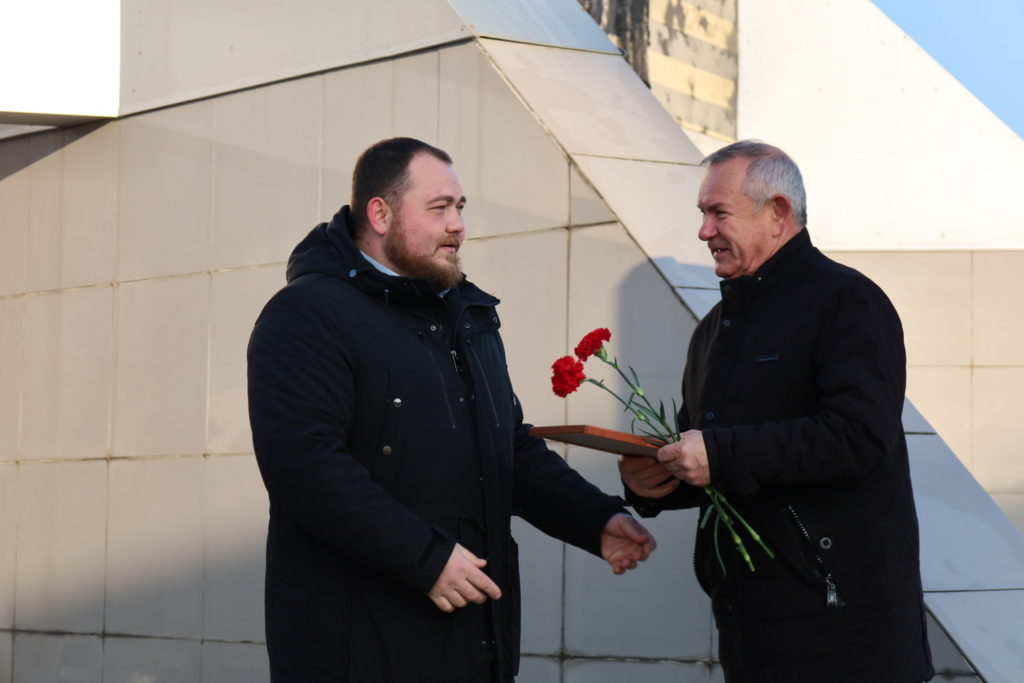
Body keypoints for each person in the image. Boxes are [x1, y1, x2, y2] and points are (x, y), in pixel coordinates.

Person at [247, 136, 656, 683]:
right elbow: (305, 469)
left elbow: (508, 448)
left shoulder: (466, 314)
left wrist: (594, 518)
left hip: (470, 642)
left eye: (460, 207)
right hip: (355, 648)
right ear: (380, 214)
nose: (457, 225)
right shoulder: (305, 315)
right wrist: (427, 558)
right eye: (439, 208)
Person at [619, 140, 933, 682]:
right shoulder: (713, 329)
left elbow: (859, 436)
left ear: (778, 213)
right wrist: (658, 483)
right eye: (702, 214)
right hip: (754, 630)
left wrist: (718, 453)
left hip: (845, 637)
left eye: (719, 213)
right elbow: (718, 460)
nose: (704, 231)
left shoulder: (848, 301)